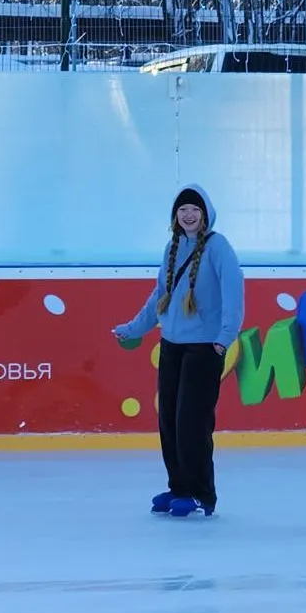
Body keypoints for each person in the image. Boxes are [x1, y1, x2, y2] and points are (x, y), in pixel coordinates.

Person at [113, 185, 245, 518]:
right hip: (172, 345)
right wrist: (133, 329)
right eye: (183, 210)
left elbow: (234, 295)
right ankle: (179, 487)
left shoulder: (218, 247)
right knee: (169, 419)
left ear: (206, 215)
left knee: (192, 422)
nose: (188, 216)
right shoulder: (172, 248)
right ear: (175, 215)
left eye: (195, 210)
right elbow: (159, 297)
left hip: (204, 348)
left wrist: (223, 339)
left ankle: (202, 493)